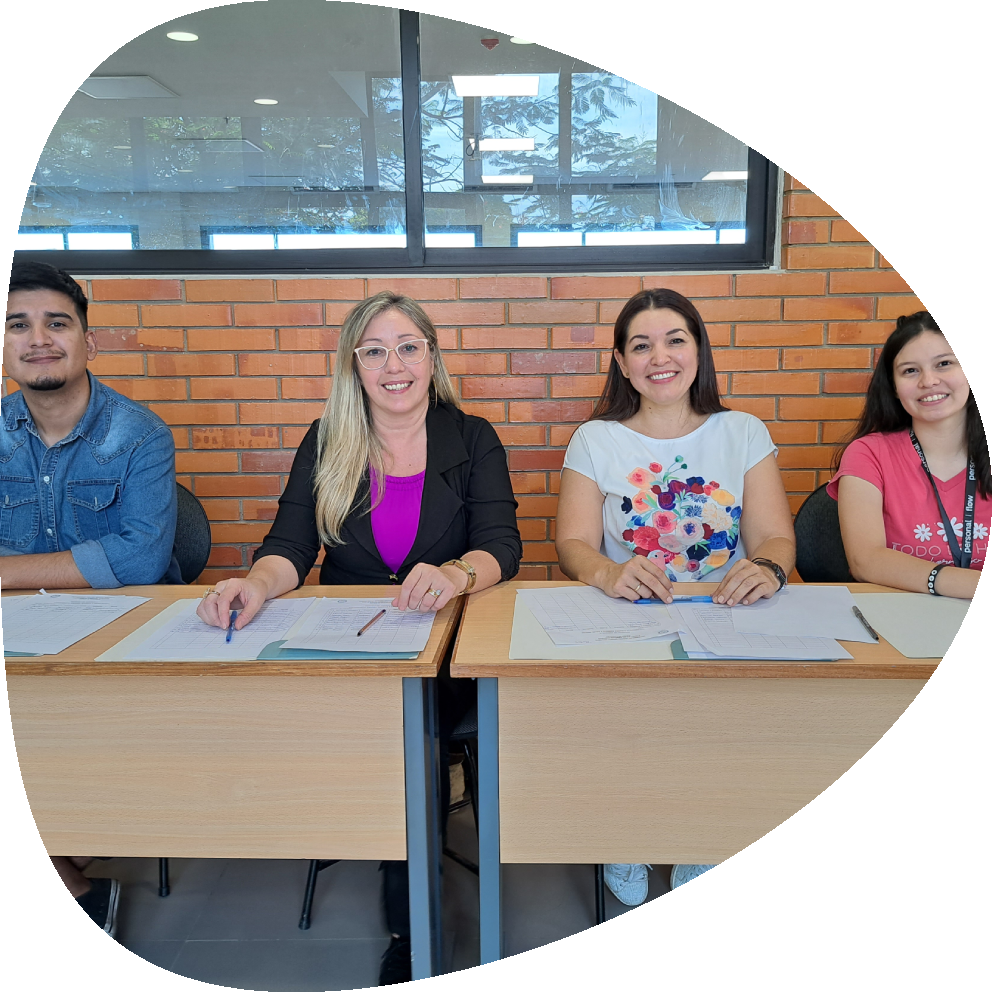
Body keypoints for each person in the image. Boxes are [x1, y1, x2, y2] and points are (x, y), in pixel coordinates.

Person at [195, 291, 521, 985]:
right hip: (349, 654)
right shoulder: (327, 439)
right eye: (373, 350)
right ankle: (401, 877)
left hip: (445, 651)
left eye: (407, 346)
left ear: (431, 357)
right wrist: (254, 585)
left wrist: (459, 573)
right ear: (354, 365)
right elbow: (288, 546)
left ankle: (411, 929)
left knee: (416, 748)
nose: (392, 364)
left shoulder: (473, 437)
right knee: (374, 741)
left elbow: (502, 546)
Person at [554, 288, 796, 906]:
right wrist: (607, 574)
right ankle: (625, 835)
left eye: (674, 340)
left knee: (717, 730)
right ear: (621, 360)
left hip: (727, 616)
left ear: (697, 350)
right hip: (628, 620)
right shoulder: (595, 439)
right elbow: (574, 545)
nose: (659, 357)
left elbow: (774, 536)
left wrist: (767, 566)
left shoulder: (743, 432)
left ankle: (703, 838)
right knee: (627, 728)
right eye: (641, 345)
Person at [4, 261, 182, 937]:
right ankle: (77, 885)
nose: (39, 339)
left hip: (126, 642)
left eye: (57, 323)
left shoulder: (138, 435)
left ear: (88, 341)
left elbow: (140, 558)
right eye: (18, 325)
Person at [827, 312, 987, 596]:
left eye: (944, 364)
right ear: (894, 389)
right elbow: (865, 560)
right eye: (910, 371)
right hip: (898, 618)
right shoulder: (868, 453)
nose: (928, 381)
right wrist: (963, 584)